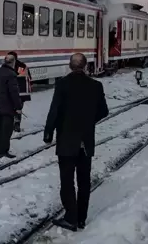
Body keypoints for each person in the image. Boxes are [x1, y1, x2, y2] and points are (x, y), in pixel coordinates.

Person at [43, 53, 109, 232]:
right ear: (86, 66)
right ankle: (81, 218)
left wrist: (48, 133)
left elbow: (54, 111)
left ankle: (71, 217)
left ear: (70, 66)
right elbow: (104, 111)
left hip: (66, 140)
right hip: (85, 141)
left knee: (67, 180)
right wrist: (88, 121)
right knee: (84, 181)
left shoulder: (63, 84)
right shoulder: (96, 85)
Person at [0, 54, 23, 158]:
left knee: (0, 128)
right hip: (7, 107)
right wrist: (18, 107)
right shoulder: (11, 74)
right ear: (13, 62)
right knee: (7, 130)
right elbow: (14, 93)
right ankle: (3, 151)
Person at [8, 51, 32, 132]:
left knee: (13, 108)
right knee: (17, 108)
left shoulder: (19, 66)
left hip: (17, 92)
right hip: (20, 92)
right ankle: (16, 124)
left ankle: (14, 125)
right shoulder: (20, 65)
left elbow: (21, 75)